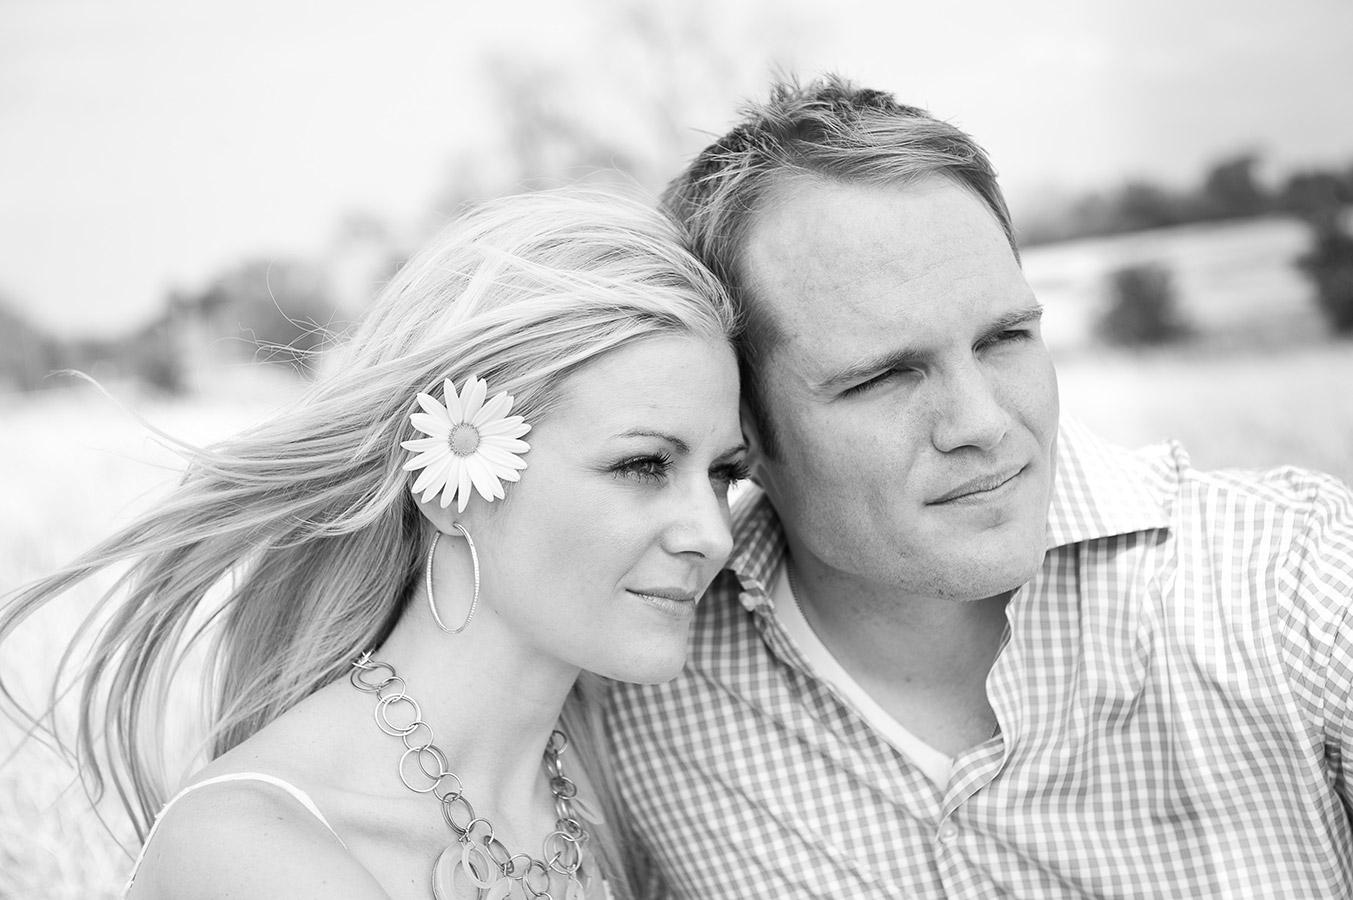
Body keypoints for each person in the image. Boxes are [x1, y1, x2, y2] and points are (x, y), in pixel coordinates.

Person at [605, 74, 1353, 897]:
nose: (983, 422)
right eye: (884, 377)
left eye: (1005, 337)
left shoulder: (1292, 583)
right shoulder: (633, 681)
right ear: (737, 428)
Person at [0, 190, 748, 900]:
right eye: (642, 465)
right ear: (450, 479)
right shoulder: (250, 852)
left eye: (722, 473)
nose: (711, 535)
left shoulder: (601, 801)